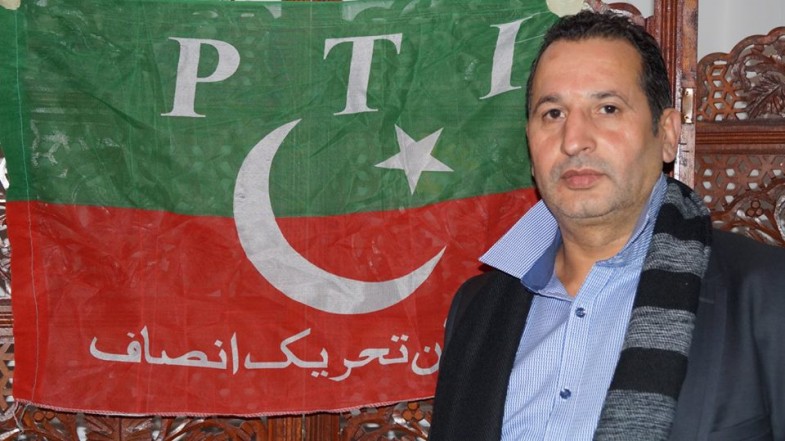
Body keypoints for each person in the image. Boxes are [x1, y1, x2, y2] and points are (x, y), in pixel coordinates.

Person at [429, 10, 785, 441]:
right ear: (530, 143)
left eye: (608, 108)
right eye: (553, 113)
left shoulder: (765, 292)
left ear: (667, 134)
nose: (574, 140)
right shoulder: (477, 309)